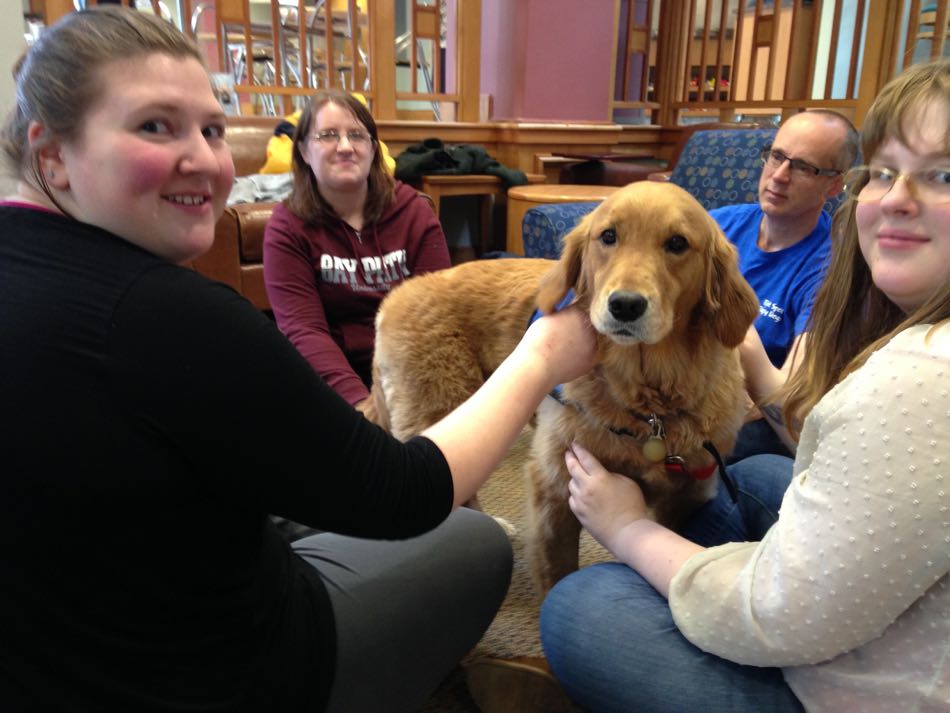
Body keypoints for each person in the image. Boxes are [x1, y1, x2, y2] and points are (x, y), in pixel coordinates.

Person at [0, 8, 596, 712]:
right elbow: (404, 491)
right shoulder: (179, 311)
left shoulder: (411, 212)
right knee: (469, 535)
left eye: (212, 129)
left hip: (63, 641)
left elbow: (441, 294)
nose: (206, 159)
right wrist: (537, 358)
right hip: (215, 670)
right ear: (51, 155)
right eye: (155, 126)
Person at [539, 57, 949, 713]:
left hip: (858, 681)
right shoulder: (723, 222)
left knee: (577, 608)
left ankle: (661, 566)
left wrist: (624, 530)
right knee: (756, 476)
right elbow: (573, 301)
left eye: (943, 175)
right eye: (887, 171)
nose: (899, 197)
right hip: (824, 520)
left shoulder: (912, 367)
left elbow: (781, 613)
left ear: (835, 186)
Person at [263, 89, 450, 411]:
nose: (346, 147)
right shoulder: (286, 227)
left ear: (374, 149)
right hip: (328, 385)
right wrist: (361, 407)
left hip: (410, 374)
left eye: (357, 136)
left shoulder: (414, 212)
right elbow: (305, 332)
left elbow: (436, 315)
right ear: (305, 150)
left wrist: (403, 400)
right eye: (328, 135)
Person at [711, 110, 859, 461]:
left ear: (834, 185)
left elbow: (794, 413)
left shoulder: (830, 268)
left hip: (746, 420)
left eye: (803, 167)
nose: (779, 176)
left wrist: (741, 343)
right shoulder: (718, 226)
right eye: (776, 157)